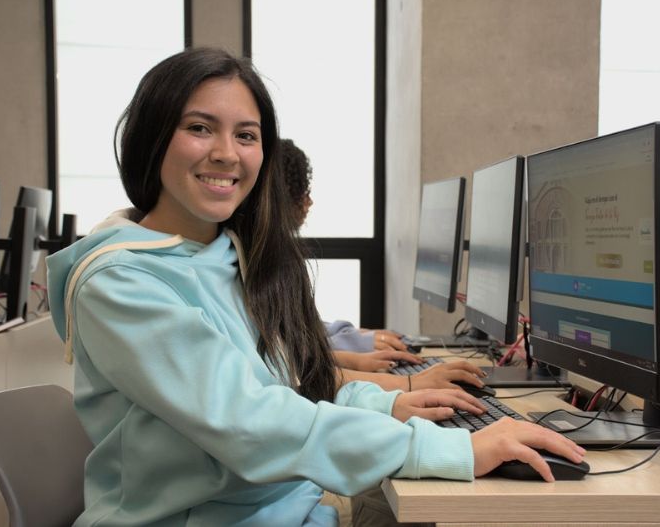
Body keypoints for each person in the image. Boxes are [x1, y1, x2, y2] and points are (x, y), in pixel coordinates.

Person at [47, 47, 585, 527]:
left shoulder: (229, 255)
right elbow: (251, 422)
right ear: (151, 137)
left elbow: (288, 388)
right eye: (200, 128)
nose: (227, 153)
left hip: (286, 507)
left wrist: (390, 406)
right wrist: (451, 450)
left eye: (246, 135)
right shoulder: (121, 283)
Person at [277, 137, 489, 392]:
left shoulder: (278, 256)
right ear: (284, 195)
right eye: (304, 191)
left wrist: (356, 344)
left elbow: (298, 338)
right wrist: (407, 383)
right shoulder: (273, 263)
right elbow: (297, 360)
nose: (309, 202)